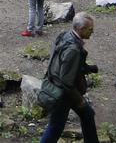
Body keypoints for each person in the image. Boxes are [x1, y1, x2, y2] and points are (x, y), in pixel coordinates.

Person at [37, 12, 100, 143]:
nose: (92, 32)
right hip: (64, 94)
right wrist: (79, 100)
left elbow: (64, 64)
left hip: (60, 88)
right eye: (90, 29)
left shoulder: (65, 36)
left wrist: (87, 68)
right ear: (81, 29)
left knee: (87, 115)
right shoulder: (73, 50)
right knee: (55, 127)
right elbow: (66, 81)